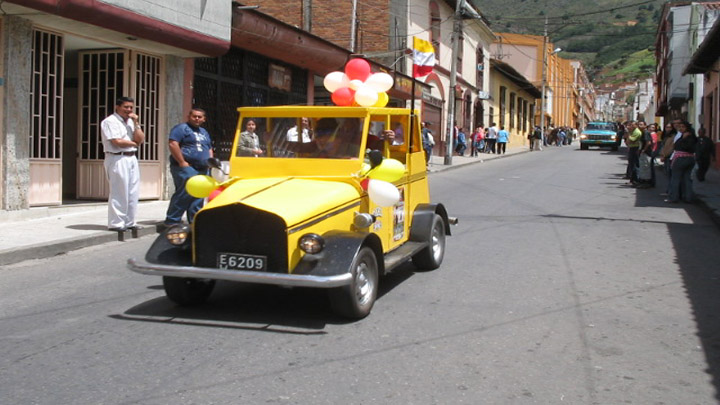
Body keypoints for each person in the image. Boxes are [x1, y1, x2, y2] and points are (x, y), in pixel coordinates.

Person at [100, 96, 145, 232]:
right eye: (126, 107)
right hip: (117, 158)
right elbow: (117, 142)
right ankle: (116, 223)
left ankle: (130, 221)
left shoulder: (130, 122)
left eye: (131, 107)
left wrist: (136, 122)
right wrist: (134, 143)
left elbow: (140, 138)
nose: (129, 110)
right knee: (120, 191)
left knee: (132, 191)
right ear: (117, 107)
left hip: (131, 157)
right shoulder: (110, 121)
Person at [164, 108, 214, 226]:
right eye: (194, 116)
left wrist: (209, 162)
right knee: (185, 192)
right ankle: (172, 220)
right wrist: (182, 162)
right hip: (186, 166)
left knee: (199, 194)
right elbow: (173, 143)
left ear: (204, 119)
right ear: (189, 117)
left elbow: (209, 148)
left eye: (199, 117)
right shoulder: (181, 128)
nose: (197, 118)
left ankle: (194, 221)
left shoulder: (204, 132)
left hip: (202, 168)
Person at [625, 121, 641, 185]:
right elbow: (627, 141)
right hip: (632, 148)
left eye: (632, 125)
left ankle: (635, 180)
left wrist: (628, 134)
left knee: (634, 165)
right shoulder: (632, 131)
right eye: (630, 125)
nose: (631, 126)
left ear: (636, 125)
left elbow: (631, 140)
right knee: (631, 164)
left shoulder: (637, 132)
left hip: (635, 148)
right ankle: (632, 179)